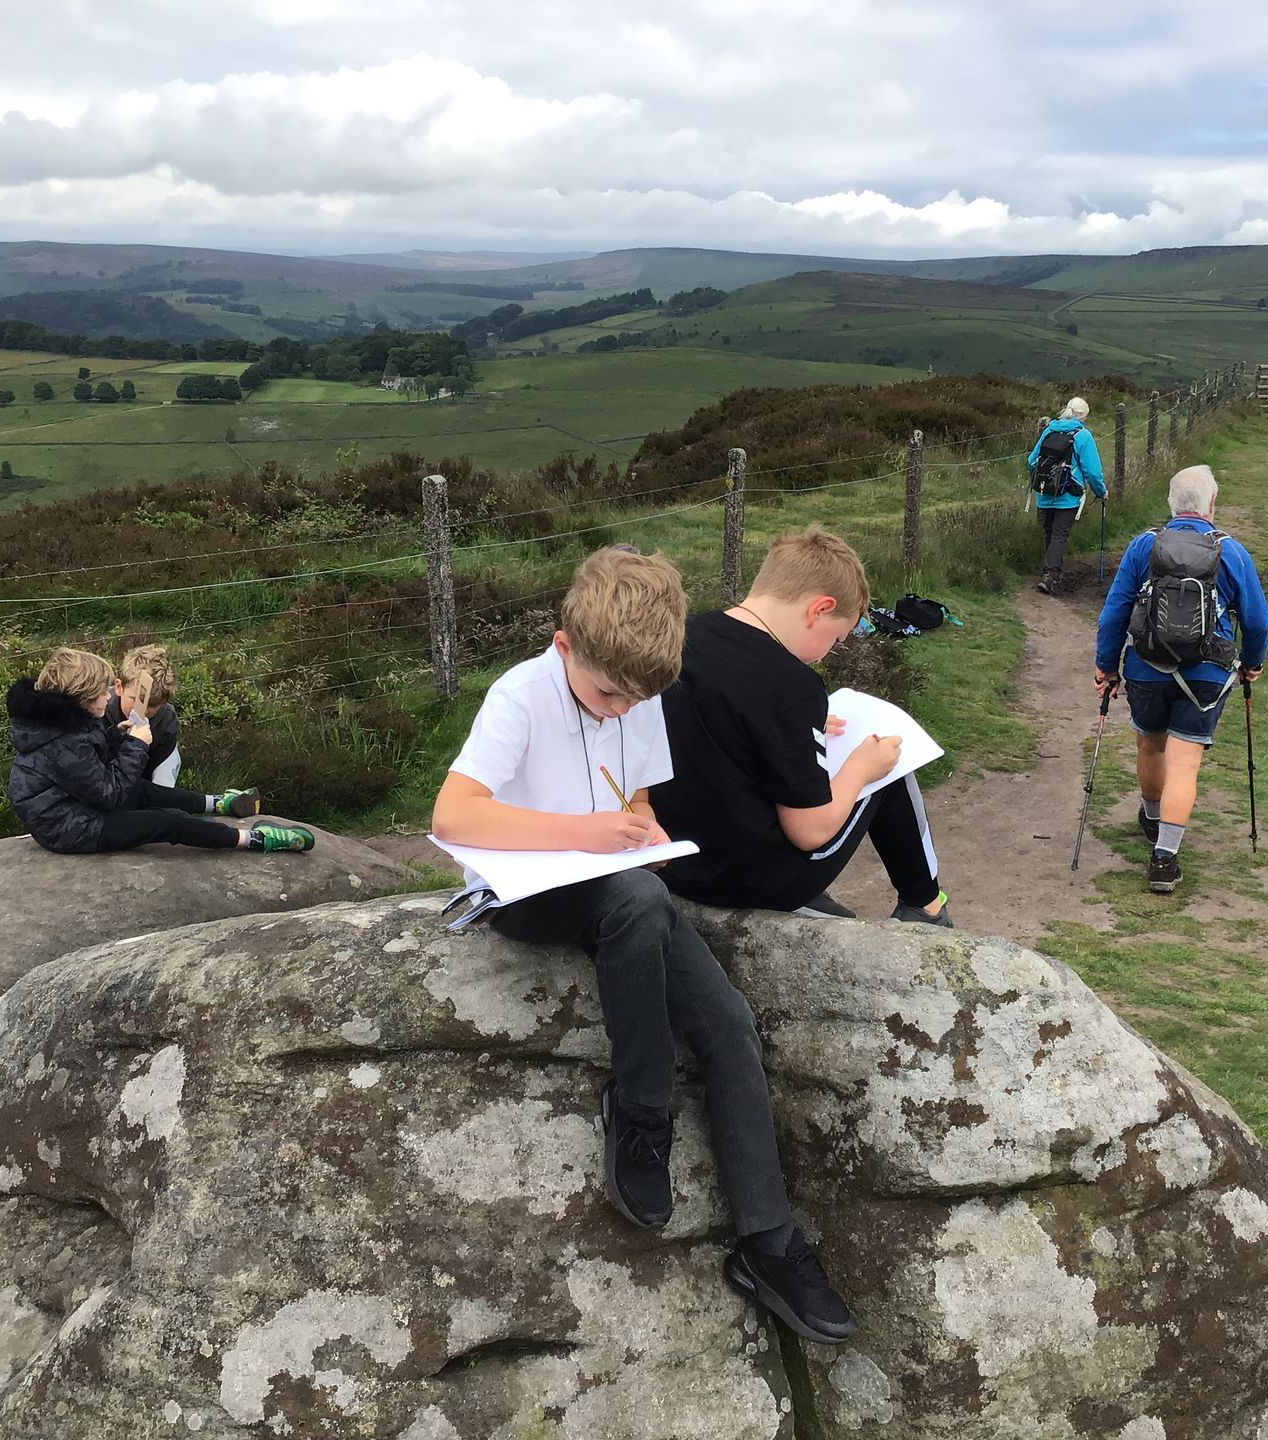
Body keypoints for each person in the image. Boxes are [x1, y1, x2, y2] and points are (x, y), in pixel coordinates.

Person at [430, 547, 856, 1345]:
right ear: (564, 645)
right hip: (524, 893)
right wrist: (585, 834)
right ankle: (641, 1109)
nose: (620, 710)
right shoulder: (520, 694)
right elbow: (454, 814)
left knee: (728, 1022)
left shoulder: (638, 696)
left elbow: (637, 794)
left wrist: (643, 829)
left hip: (620, 893)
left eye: (636, 700)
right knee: (639, 898)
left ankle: (768, 1243)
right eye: (606, 695)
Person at [654, 526, 952, 927]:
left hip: (674, 861)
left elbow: (718, 729)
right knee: (889, 766)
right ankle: (925, 904)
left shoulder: (682, 636)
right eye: (836, 638)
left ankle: (839, 899)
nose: (826, 654)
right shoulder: (791, 683)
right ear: (819, 609)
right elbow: (810, 831)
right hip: (748, 880)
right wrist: (861, 768)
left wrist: (794, 726)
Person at [1094, 465, 1268, 894]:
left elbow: (1114, 613)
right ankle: (1164, 859)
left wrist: (1107, 667)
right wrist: (1251, 663)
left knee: (1150, 745)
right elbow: (1258, 623)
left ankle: (1153, 819)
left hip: (1146, 668)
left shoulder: (1144, 546)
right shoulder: (1231, 552)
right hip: (1207, 675)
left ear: (1171, 504)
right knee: (1184, 764)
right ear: (1212, 503)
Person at [6, 646, 312, 855]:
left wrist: (115, 735)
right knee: (166, 822)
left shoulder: (61, 723)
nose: (108, 697)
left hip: (74, 808)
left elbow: (86, 764)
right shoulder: (62, 741)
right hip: (71, 829)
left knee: (143, 791)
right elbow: (110, 794)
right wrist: (137, 744)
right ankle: (253, 839)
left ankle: (217, 804)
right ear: (80, 699)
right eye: (101, 693)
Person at [1026, 397, 1107, 594]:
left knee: (1050, 532)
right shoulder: (1083, 436)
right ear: (1083, 416)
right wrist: (1101, 491)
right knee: (1059, 534)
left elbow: (1031, 461)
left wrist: (1043, 480)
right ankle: (1050, 575)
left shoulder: (1049, 430)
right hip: (1068, 495)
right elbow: (1092, 472)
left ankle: (1050, 571)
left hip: (1044, 493)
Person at [103, 643, 182, 786]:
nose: (144, 711)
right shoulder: (99, 708)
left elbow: (161, 780)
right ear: (119, 687)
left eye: (153, 704)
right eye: (136, 699)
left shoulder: (166, 720)